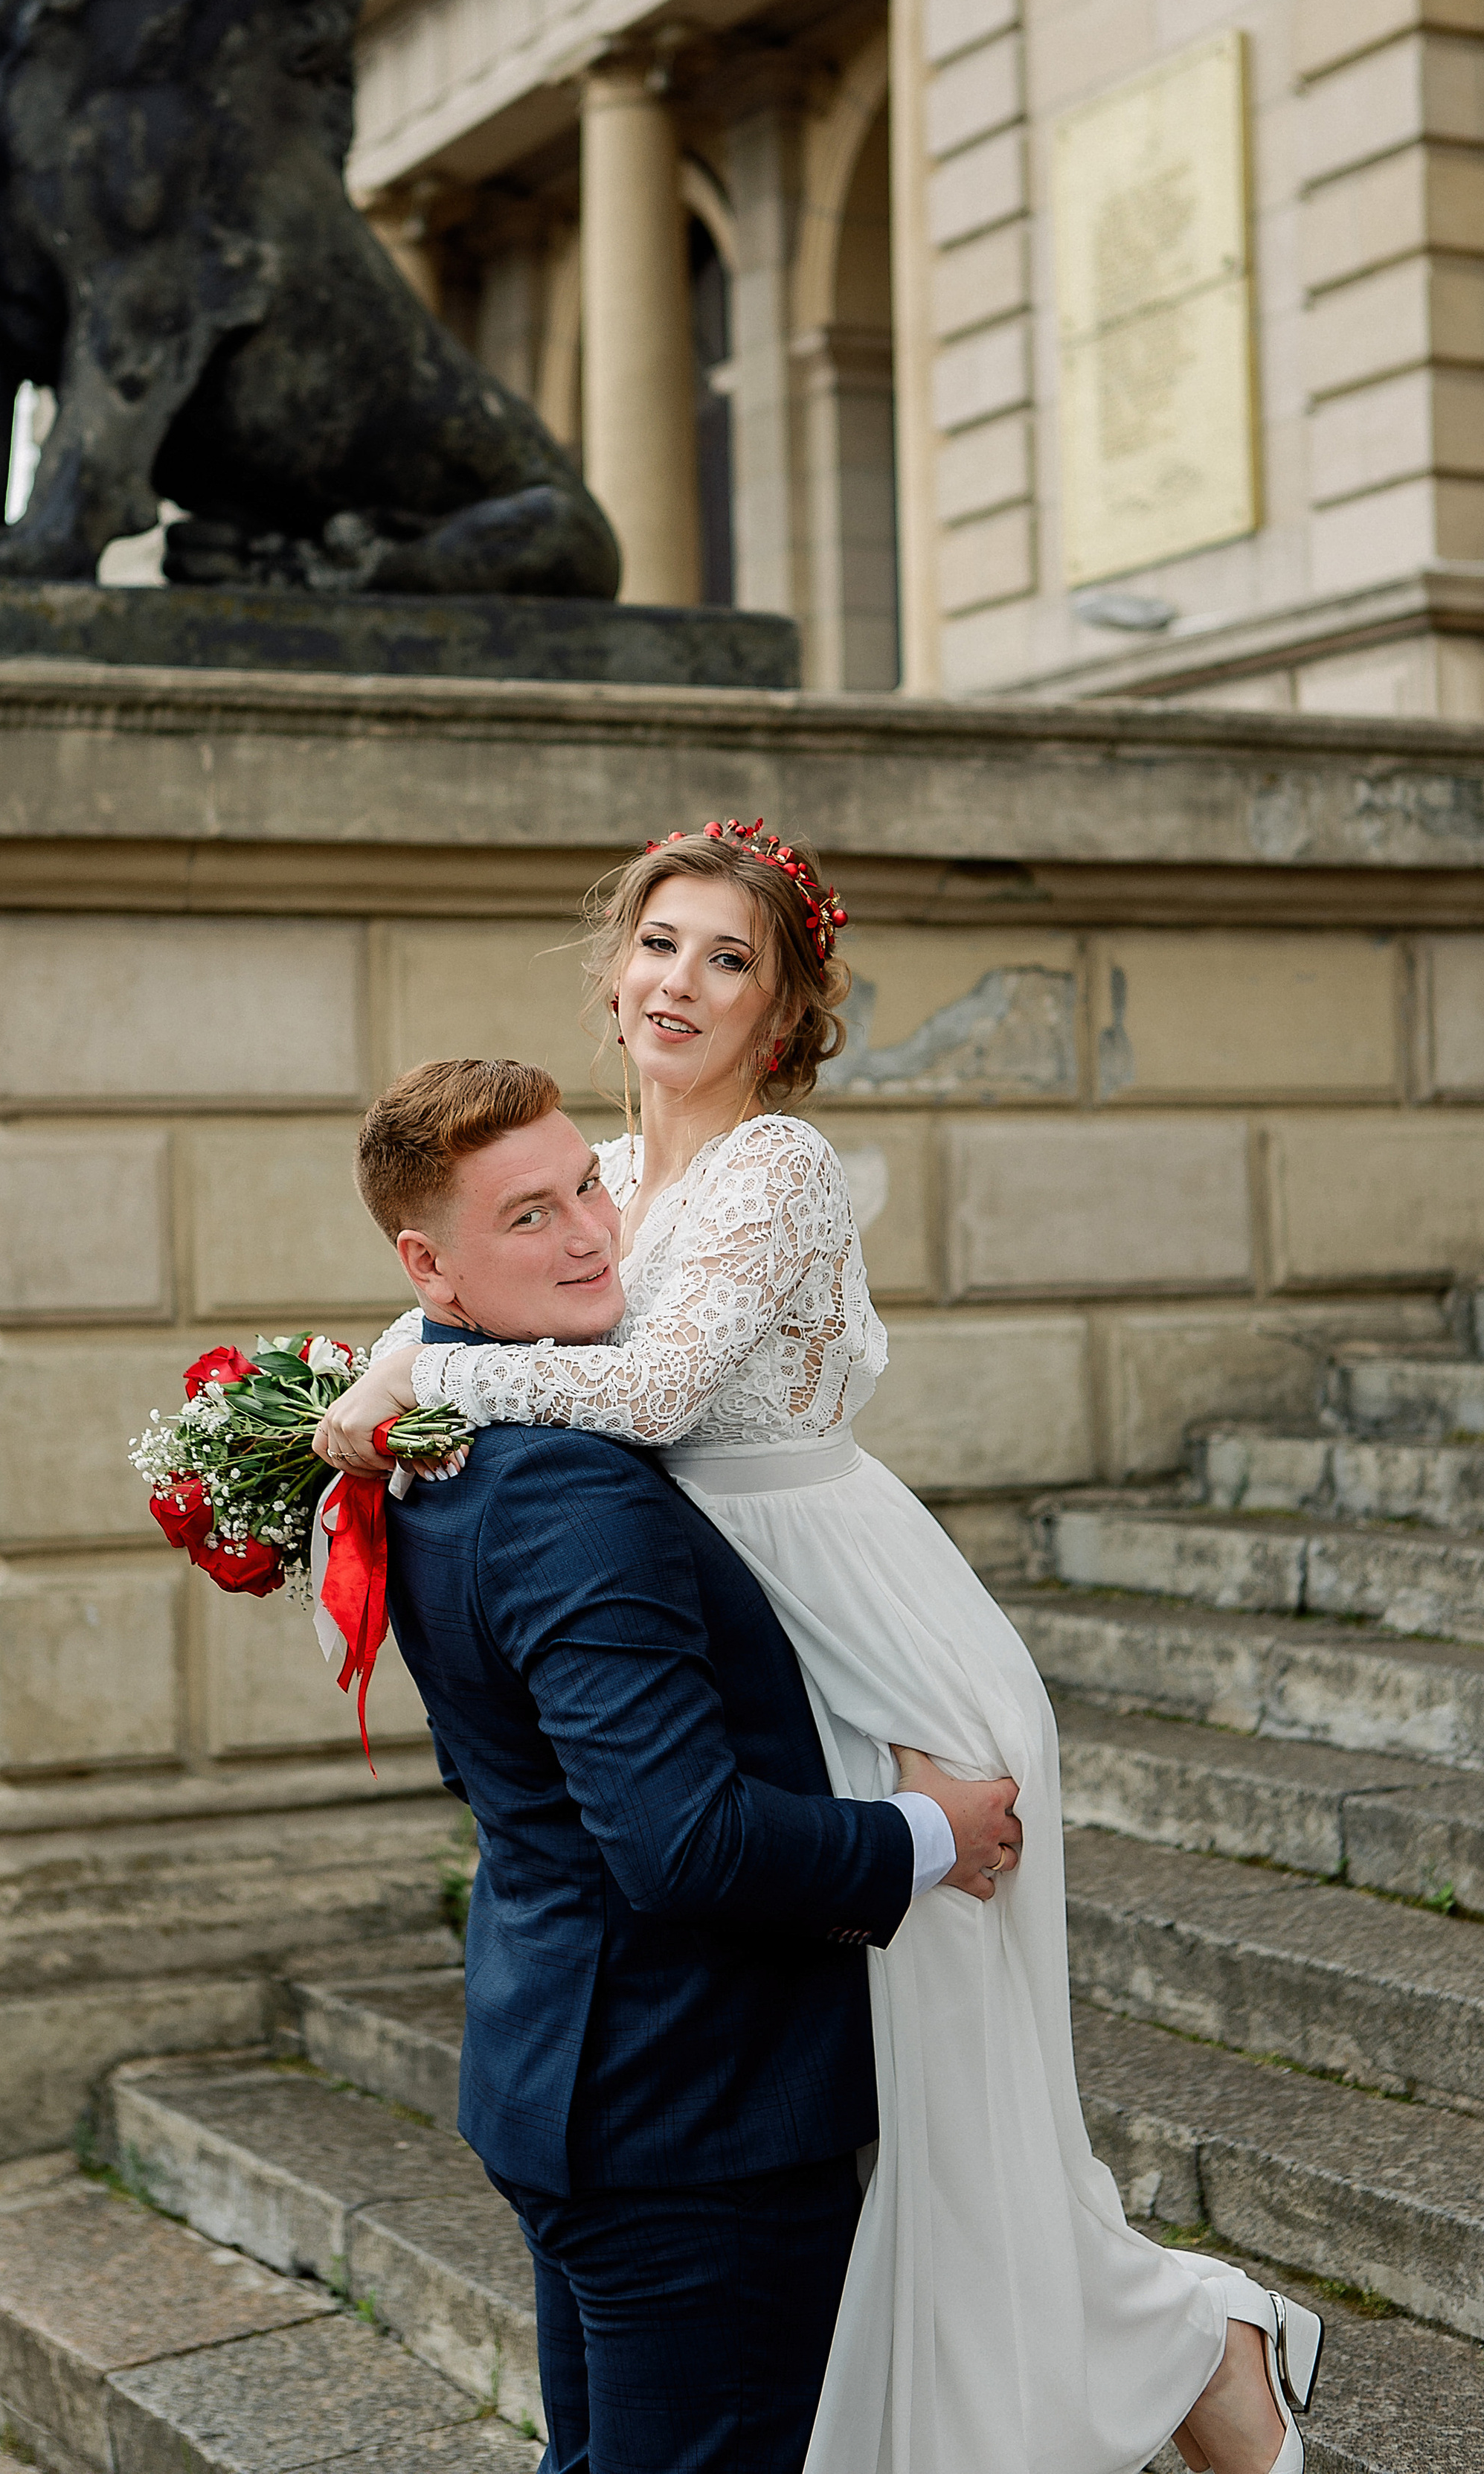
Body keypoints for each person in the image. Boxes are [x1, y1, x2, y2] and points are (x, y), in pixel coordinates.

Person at [319, 824, 1323, 2474]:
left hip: (856, 1628)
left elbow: (636, 1397)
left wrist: (418, 1390)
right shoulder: (605, 1181)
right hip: (733, 1625)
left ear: (783, 1013)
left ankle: (1193, 2355)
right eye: (658, 944)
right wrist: (348, 1382)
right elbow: (467, 1295)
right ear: (611, 965)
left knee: (946, 2104)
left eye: (730, 960)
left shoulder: (772, 1167)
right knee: (862, 2111)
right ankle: (1114, 2374)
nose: (680, 984)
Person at [330, 1056, 1024, 2474]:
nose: (591, 1233)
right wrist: (925, 1833)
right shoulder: (569, 1492)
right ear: (431, 1268)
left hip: (564, 2065)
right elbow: (683, 1844)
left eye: (587, 1183)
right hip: (692, 2122)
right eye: (529, 1218)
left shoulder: (443, 1453)